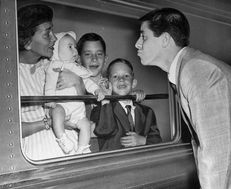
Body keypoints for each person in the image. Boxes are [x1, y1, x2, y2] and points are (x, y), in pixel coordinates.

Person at [135, 7, 231, 189]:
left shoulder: (195, 70)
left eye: (143, 36)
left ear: (165, 39)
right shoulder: (186, 68)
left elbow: (215, 151)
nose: (137, 44)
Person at [18, 4, 84, 160]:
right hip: (33, 156)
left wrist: (78, 82)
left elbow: (80, 104)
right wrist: (48, 123)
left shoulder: (52, 67)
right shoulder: (9, 76)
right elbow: (8, 130)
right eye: (47, 34)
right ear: (27, 42)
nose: (54, 38)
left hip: (70, 150)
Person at [45, 31, 105, 154]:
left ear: (106, 57)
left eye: (99, 54)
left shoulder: (112, 85)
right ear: (79, 58)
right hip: (74, 142)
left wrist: (78, 82)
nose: (94, 59)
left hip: (102, 148)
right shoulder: (63, 71)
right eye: (88, 54)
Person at [90, 58, 162, 151]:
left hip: (142, 162)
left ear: (134, 83)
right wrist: (106, 100)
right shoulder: (100, 109)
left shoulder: (147, 112)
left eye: (126, 76)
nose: (121, 80)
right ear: (108, 83)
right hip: (114, 163)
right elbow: (104, 130)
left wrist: (143, 141)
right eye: (115, 76)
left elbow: (157, 140)